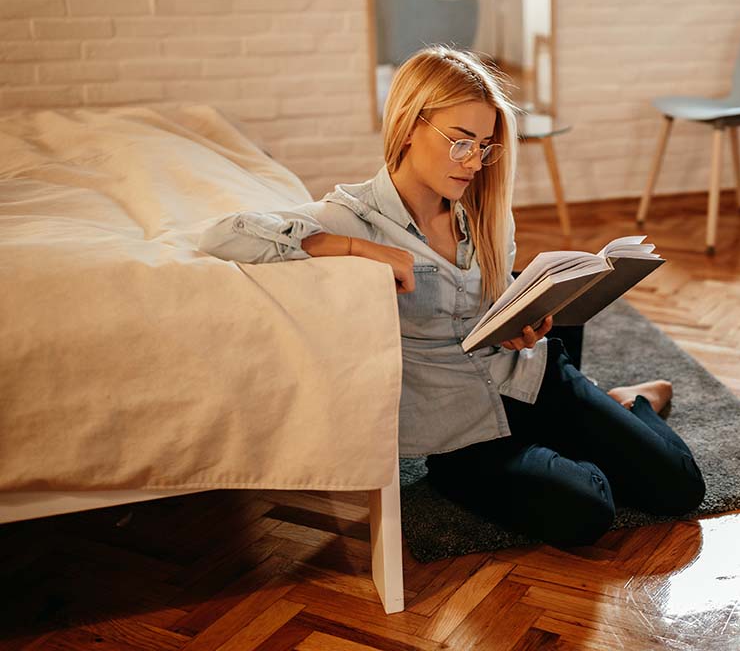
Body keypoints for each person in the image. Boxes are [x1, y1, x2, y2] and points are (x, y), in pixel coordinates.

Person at [197, 46, 705, 547]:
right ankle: (591, 421)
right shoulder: (349, 217)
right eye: (461, 141)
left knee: (679, 487)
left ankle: (627, 401)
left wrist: (524, 324)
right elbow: (222, 235)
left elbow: (501, 304)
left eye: (485, 146)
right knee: (587, 510)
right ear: (409, 124)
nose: (474, 162)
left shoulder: (483, 211)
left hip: (529, 376)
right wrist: (355, 248)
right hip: (457, 430)